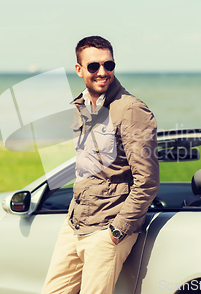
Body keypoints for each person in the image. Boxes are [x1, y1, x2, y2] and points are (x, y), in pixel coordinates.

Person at [41, 36, 160, 294]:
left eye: (109, 64)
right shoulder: (81, 106)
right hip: (75, 223)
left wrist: (118, 230)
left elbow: (147, 180)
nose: (102, 72)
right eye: (94, 66)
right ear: (79, 69)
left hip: (107, 228)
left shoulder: (130, 109)